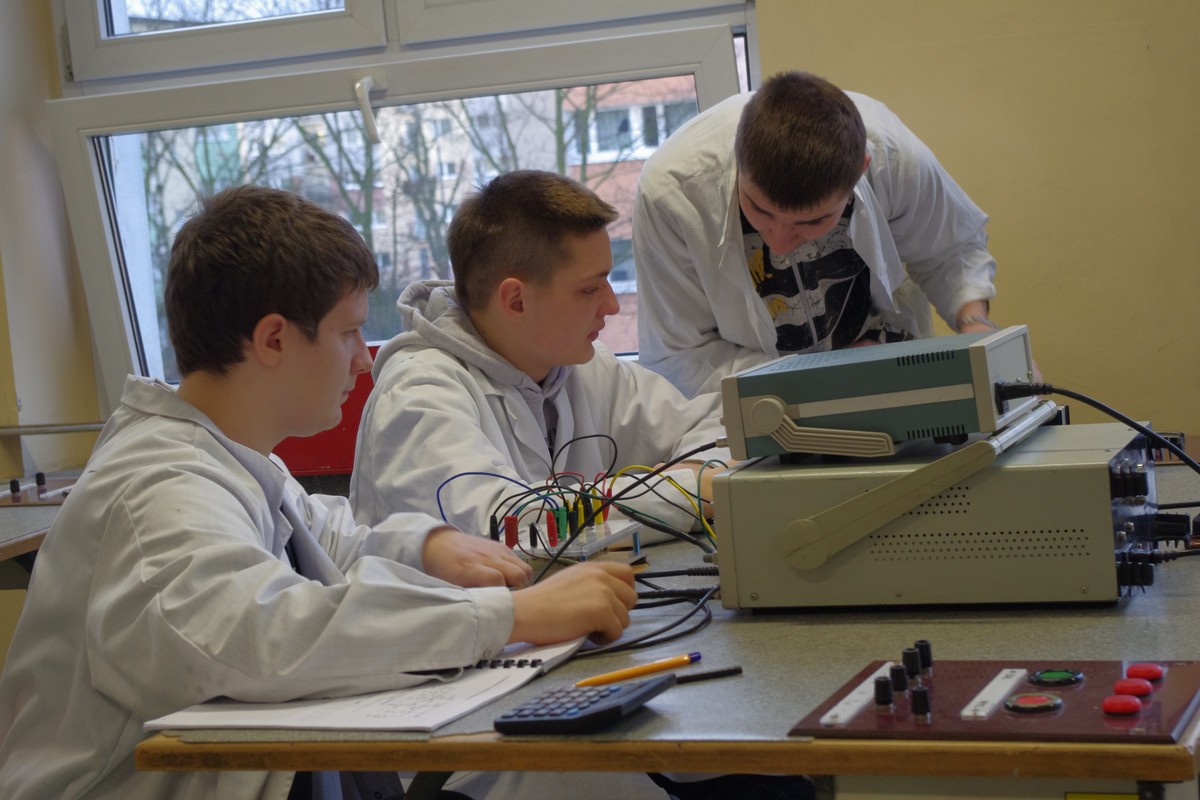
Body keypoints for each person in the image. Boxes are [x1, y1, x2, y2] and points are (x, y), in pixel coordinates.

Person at [0, 185, 648, 800]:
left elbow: (331, 541)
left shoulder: (231, 454)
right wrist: (511, 618)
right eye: (347, 332)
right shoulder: (157, 492)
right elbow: (265, 637)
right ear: (274, 339)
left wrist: (429, 546)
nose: (364, 360)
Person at [350, 170, 730, 546]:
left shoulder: (582, 365)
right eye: (589, 289)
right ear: (516, 300)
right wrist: (684, 490)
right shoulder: (418, 397)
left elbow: (717, 430)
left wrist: (691, 477)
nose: (612, 305)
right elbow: (507, 527)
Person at [633, 70, 1003, 398]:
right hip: (764, 404)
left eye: (811, 223)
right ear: (738, 162)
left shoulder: (894, 157)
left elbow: (950, 250)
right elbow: (679, 355)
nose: (778, 242)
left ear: (861, 170)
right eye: (760, 211)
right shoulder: (673, 195)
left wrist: (974, 324)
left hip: (888, 375)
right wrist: (819, 376)